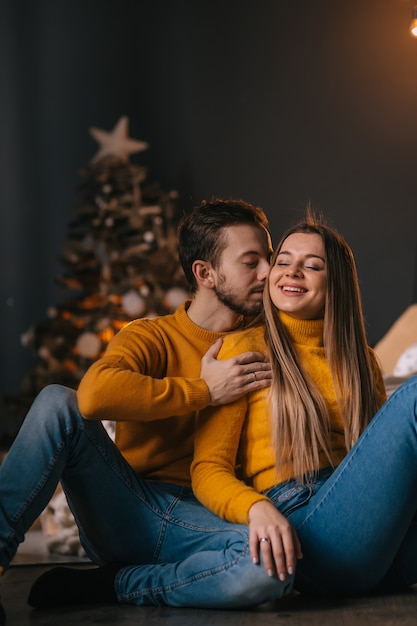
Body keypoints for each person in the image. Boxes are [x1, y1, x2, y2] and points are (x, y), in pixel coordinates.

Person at [0, 197, 293, 623]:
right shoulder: (152, 335)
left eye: (268, 259)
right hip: (129, 508)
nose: (269, 273)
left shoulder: (268, 342)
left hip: (206, 518)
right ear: (205, 273)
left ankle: (119, 585)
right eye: (251, 262)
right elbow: (94, 396)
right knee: (56, 402)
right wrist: (204, 391)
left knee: (272, 566)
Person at [191, 210, 417, 597]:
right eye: (283, 262)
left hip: (376, 547)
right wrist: (255, 509)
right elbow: (207, 469)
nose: (292, 272)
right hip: (303, 531)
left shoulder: (362, 362)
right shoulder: (243, 349)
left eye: (311, 266)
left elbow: (376, 470)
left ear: (337, 284)